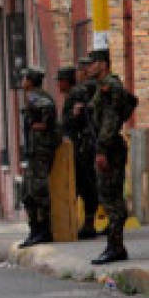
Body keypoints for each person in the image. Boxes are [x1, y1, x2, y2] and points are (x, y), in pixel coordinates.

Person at [88, 48, 136, 265]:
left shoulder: (110, 87)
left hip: (109, 148)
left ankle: (115, 246)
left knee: (111, 198)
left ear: (102, 64)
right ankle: (115, 245)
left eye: (92, 63)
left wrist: (101, 150)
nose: (88, 67)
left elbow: (110, 121)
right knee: (108, 196)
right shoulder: (103, 86)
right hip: (107, 146)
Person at [18, 68, 59, 248]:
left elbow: (48, 108)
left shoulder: (35, 95)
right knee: (28, 193)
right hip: (35, 151)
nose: (22, 81)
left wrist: (43, 125)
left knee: (38, 191)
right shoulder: (32, 95)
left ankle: (43, 230)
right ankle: (35, 229)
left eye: (24, 78)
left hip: (40, 151)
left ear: (30, 81)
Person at [57, 63, 99, 240]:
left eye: (60, 81)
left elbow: (75, 122)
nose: (58, 85)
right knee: (81, 185)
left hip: (80, 148)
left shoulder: (76, 94)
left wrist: (73, 117)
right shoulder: (73, 95)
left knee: (84, 185)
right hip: (78, 147)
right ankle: (81, 223)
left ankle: (87, 224)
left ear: (67, 81)